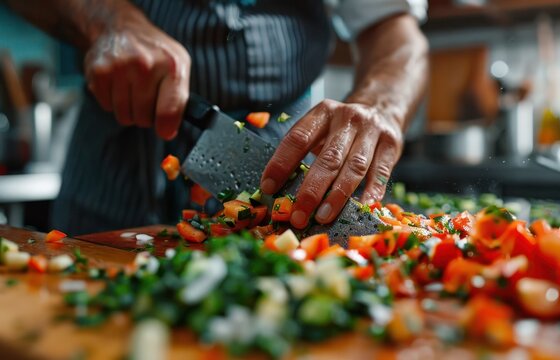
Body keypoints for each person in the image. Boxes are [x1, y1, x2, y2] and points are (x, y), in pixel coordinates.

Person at [5, 0, 429, 234]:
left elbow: (397, 34)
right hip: (117, 165)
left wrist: (381, 105)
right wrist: (104, 19)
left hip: (285, 158)